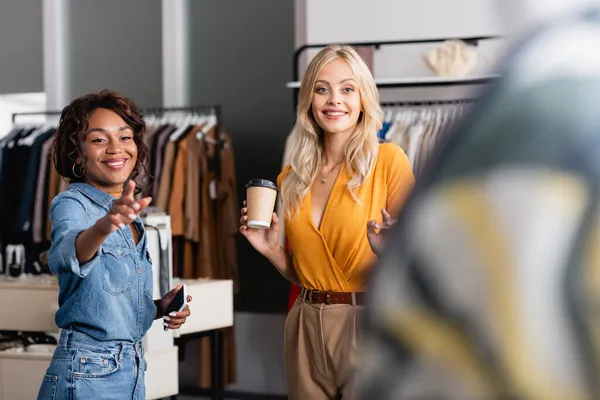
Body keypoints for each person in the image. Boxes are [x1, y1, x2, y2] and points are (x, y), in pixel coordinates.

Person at [240, 45, 415, 399]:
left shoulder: (388, 162)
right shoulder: (292, 177)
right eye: (322, 89)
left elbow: (419, 262)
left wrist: (388, 253)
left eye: (347, 89)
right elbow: (308, 273)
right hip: (304, 322)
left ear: (363, 99)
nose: (335, 100)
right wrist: (273, 251)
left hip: (364, 324)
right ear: (309, 100)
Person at [36, 90, 192, 400]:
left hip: (129, 368)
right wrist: (105, 225)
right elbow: (67, 254)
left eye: (125, 137)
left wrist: (161, 308)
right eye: (98, 140)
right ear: (77, 153)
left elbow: (109, 303)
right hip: (87, 372)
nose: (115, 148)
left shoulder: (129, 214)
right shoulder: (71, 204)